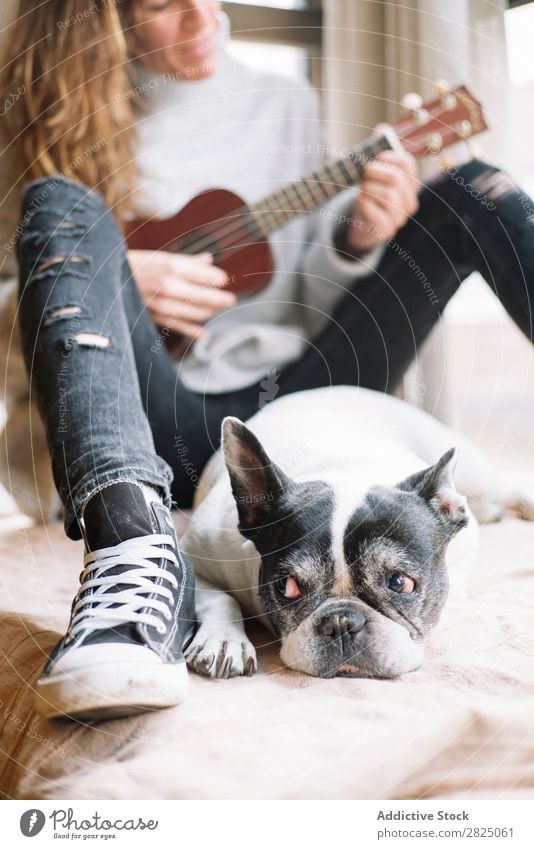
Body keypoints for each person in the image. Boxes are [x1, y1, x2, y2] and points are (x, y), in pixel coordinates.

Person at [0, 0, 532, 720]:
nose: (202, 17)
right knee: (56, 202)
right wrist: (119, 277)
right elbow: (35, 296)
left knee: (479, 189)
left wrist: (359, 236)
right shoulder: (28, 127)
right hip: (161, 416)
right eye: (163, 5)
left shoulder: (280, 100)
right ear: (100, 22)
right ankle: (131, 552)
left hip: (301, 389)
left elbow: (307, 290)